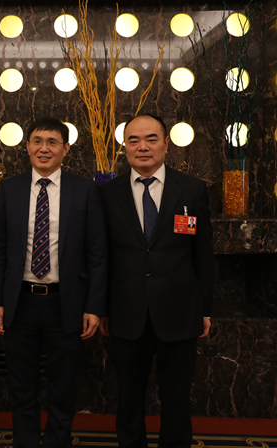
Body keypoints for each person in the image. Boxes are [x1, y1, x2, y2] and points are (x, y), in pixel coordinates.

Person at [0, 117, 108, 448]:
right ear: (27, 146)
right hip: (20, 302)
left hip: (66, 302)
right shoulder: (9, 189)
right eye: (37, 141)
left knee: (62, 386)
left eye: (52, 142)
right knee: (21, 386)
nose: (44, 149)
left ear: (66, 149)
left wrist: (94, 306)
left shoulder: (84, 190)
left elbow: (97, 253)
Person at [99, 114, 214, 448]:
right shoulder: (107, 194)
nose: (143, 147)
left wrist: (205, 309)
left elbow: (203, 255)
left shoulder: (191, 189)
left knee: (177, 398)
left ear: (166, 143)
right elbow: (100, 256)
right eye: (133, 140)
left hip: (179, 312)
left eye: (151, 139)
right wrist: (101, 307)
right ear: (124, 147)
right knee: (128, 398)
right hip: (125, 312)